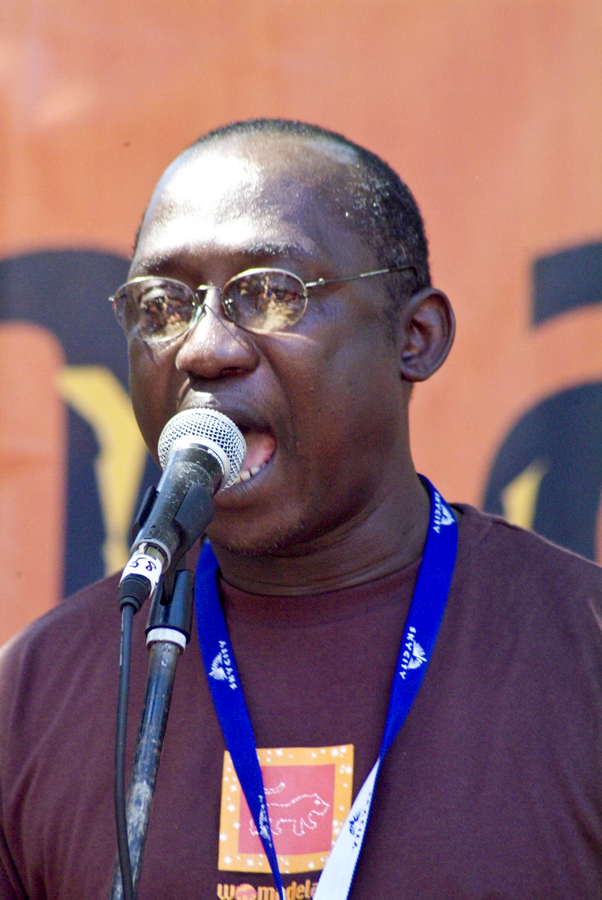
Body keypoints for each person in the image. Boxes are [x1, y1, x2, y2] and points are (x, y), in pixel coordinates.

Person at [1, 119, 601, 900]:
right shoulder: (38, 693)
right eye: (160, 305)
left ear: (414, 337)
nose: (202, 348)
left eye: (270, 294)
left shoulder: (580, 651)